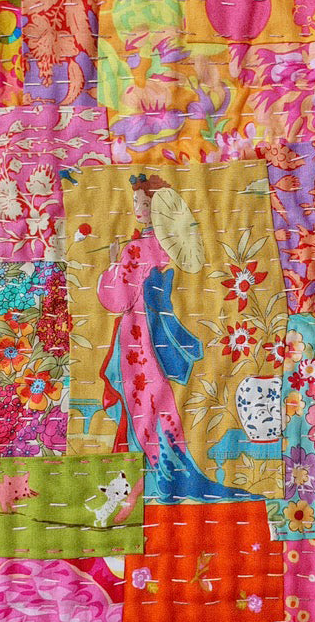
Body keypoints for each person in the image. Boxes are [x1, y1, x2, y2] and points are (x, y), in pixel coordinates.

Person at [96, 174, 251, 502]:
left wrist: (112, 265)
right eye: (135, 202)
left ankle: (154, 479)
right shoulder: (167, 247)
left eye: (145, 204)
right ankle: (163, 473)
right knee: (157, 400)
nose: (138, 209)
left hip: (137, 339)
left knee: (140, 402)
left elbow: (117, 300)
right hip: (155, 338)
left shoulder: (136, 249)